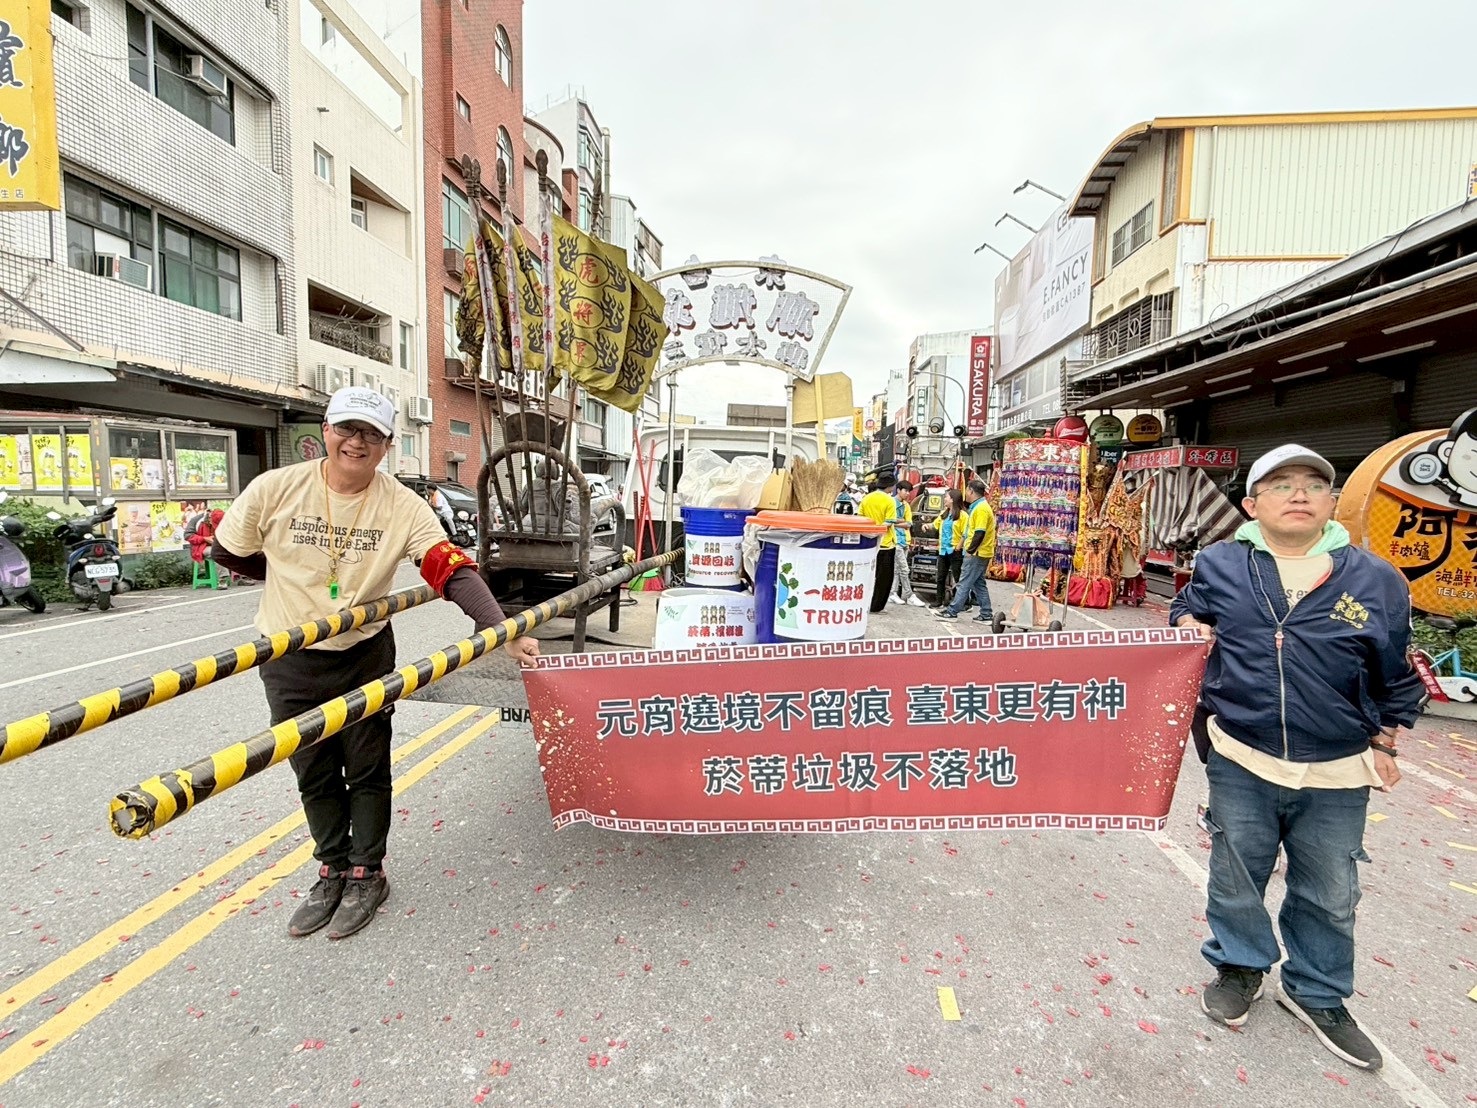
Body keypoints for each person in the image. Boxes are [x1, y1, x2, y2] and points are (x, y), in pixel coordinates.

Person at [212, 387, 540, 941]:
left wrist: (500, 630)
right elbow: (227, 550)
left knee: (365, 767)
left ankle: (367, 872)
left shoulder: (402, 505)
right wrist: (286, 578)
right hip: (288, 656)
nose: (356, 442)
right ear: (326, 430)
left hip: (363, 653)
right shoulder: (275, 488)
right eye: (347, 428)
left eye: (371, 433)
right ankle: (330, 869)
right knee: (312, 769)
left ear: (387, 444)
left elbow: (450, 569)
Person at [1170, 444, 1422, 1072]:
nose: (1300, 493)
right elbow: (1188, 610)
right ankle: (1239, 967)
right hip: (1240, 754)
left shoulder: (1375, 579)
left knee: (1331, 888)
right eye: (1281, 484)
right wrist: (1187, 624)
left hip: (1337, 764)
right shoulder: (1221, 564)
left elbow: (1395, 669)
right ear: (1252, 505)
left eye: (1314, 483)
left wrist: (1387, 740)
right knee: (1236, 873)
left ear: (1333, 502)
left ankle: (1317, 992)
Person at [934, 479, 994, 622]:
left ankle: (952, 612)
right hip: (980, 552)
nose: (965, 493)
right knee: (978, 584)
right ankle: (986, 614)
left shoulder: (981, 509)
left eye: (967, 490)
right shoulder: (978, 507)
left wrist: (970, 550)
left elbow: (979, 532)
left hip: (977, 553)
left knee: (964, 582)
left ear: (971, 491)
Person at [858, 472, 901, 614]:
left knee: (867, 575)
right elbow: (889, 522)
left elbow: (860, 517)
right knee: (884, 578)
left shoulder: (867, 498)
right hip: (885, 544)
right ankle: (876, 606)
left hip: (867, 543)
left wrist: (870, 532)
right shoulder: (890, 501)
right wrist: (878, 531)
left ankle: (864, 603)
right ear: (891, 486)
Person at [889, 480, 925, 606]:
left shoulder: (906, 506)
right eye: (906, 490)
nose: (908, 493)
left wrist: (896, 522)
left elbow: (909, 523)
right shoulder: (891, 503)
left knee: (898, 569)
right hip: (894, 540)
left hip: (905, 540)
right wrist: (900, 521)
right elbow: (888, 520)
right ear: (898, 490)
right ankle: (909, 595)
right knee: (904, 569)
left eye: (909, 491)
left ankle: (893, 593)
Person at [932, 488, 964, 609]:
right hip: (943, 550)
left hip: (955, 551)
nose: (944, 499)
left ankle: (962, 602)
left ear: (953, 499)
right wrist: (926, 526)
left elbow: (966, 533)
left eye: (946, 497)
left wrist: (959, 546)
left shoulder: (963, 516)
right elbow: (935, 525)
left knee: (958, 577)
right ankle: (938, 600)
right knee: (941, 576)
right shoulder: (944, 514)